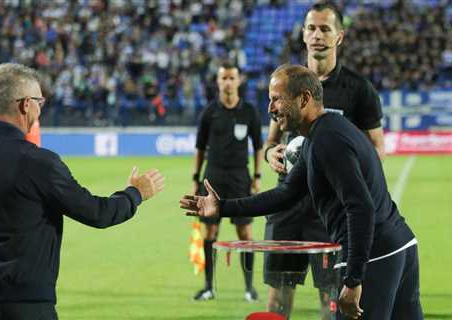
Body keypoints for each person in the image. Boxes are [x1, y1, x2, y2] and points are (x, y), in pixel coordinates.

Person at [181, 64, 423, 320]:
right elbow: (285, 194)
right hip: (400, 244)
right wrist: (222, 206)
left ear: (304, 98)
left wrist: (353, 279)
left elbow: (361, 207)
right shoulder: (320, 136)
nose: (270, 108)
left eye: (277, 99)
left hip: (375, 257)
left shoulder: (327, 140)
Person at [0, 63, 165, 320]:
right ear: (25, 104)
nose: (41, 108)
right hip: (25, 303)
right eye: (40, 101)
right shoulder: (40, 163)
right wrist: (135, 193)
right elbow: (98, 213)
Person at [262, 3, 385, 319]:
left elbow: (376, 149)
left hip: (329, 211)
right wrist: (269, 153)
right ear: (303, 34)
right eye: (311, 28)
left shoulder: (359, 90)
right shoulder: (286, 83)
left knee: (331, 300)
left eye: (325, 29)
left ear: (339, 37)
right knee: (277, 299)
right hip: (287, 204)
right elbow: (271, 140)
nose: (317, 35)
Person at [191, 61, 263, 301]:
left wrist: (257, 176)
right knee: (210, 230)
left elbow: (259, 147)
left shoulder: (249, 111)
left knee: (245, 232)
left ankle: (249, 288)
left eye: (232, 78)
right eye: (224, 78)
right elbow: (200, 148)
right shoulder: (209, 112)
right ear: (218, 81)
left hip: (240, 178)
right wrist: (195, 179)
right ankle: (209, 286)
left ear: (239, 80)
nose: (228, 82)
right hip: (213, 177)